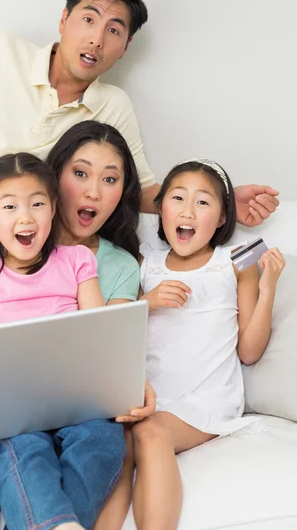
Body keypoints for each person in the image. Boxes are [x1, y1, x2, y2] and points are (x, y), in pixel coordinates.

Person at [0, 0, 279, 259]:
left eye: (114, 30)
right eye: (89, 18)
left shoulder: (112, 108)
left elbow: (144, 192)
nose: (97, 38)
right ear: (64, 20)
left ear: (125, 47)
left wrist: (224, 197)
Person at [0, 121, 155, 530]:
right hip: (2, 400)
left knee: (100, 440)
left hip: (71, 398)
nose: (92, 191)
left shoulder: (88, 263)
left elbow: (103, 336)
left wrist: (133, 381)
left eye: (109, 179)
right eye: (80, 174)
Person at [97, 158, 286, 530]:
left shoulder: (235, 261)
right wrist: (145, 302)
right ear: (160, 209)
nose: (187, 210)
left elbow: (249, 351)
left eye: (203, 202)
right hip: (150, 396)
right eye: (178, 198)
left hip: (206, 399)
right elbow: (115, 335)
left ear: (220, 218)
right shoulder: (143, 263)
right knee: (114, 444)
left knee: (149, 433)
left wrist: (267, 291)